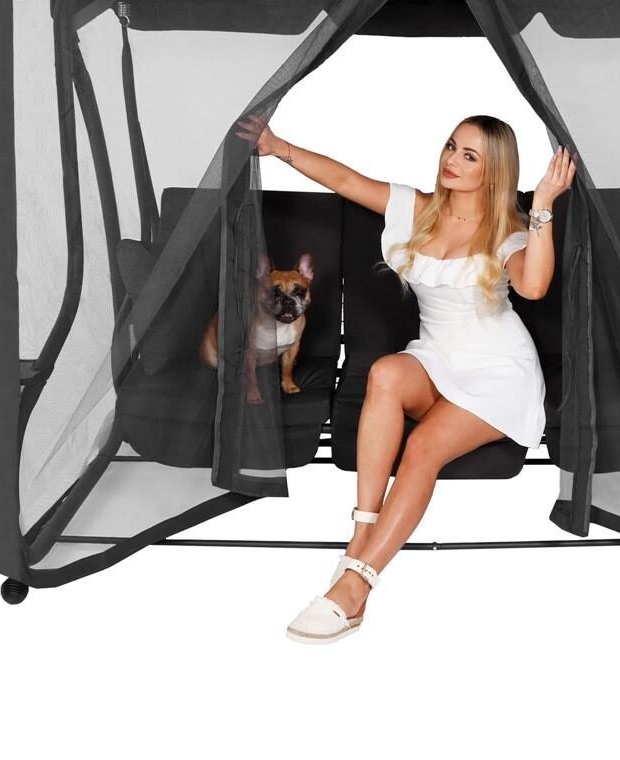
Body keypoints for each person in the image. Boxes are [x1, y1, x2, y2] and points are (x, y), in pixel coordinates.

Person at [233, 113, 576, 643]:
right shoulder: (418, 209)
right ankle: (360, 536)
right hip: (436, 358)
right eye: (451, 146)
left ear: (493, 171)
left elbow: (533, 287)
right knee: (386, 372)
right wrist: (279, 147)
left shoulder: (507, 231)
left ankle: (356, 585)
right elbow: (346, 180)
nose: (451, 160)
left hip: (497, 372)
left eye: (469, 156)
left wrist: (545, 204)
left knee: (421, 449)